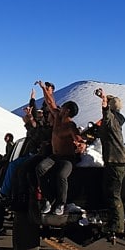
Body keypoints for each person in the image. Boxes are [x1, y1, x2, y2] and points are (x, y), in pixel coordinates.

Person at [35, 80, 85, 216]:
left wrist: (81, 144)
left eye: (63, 107)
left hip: (67, 158)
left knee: (61, 175)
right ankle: (49, 200)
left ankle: (61, 204)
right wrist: (43, 89)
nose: (60, 107)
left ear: (67, 111)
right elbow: (50, 102)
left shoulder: (71, 126)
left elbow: (78, 138)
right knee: (40, 169)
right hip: (55, 156)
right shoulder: (57, 116)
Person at [95, 87, 125, 240]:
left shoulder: (111, 121)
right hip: (115, 161)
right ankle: (113, 219)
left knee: (114, 193)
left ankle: (118, 225)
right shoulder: (116, 121)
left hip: (115, 161)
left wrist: (103, 100)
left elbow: (106, 115)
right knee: (109, 190)